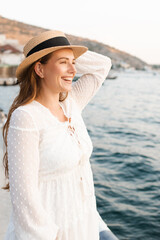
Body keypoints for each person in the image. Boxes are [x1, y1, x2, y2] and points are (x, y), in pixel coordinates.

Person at [2, 30, 118, 240]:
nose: (73, 70)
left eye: (74, 62)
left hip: (83, 224)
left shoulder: (71, 104)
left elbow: (102, 65)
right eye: (64, 62)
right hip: (53, 230)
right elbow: (24, 201)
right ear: (39, 68)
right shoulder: (26, 117)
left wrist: (64, 59)